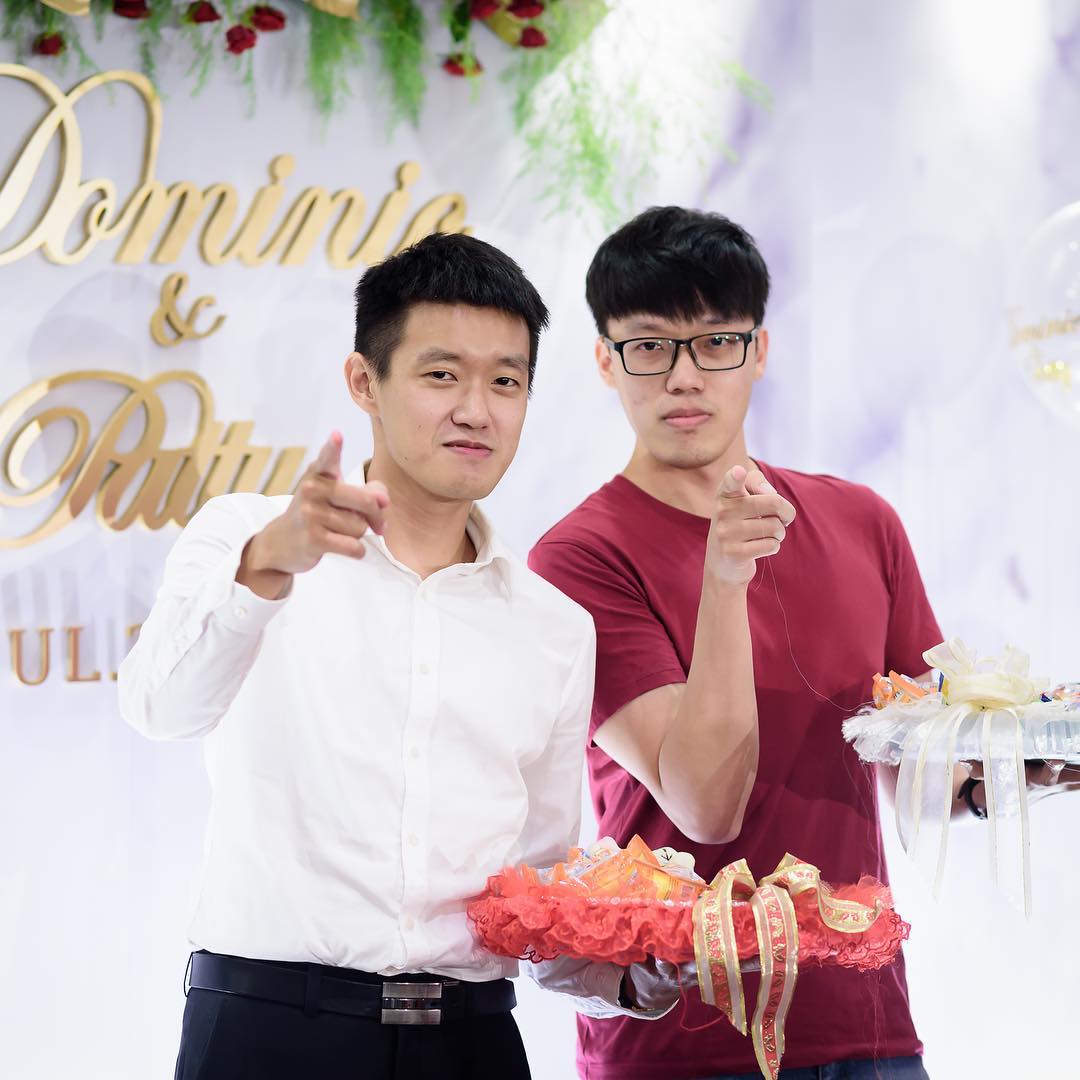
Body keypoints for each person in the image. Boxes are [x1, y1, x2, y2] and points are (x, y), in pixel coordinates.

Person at [118, 232, 646, 1080]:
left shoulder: (554, 625)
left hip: (473, 1042)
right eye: (442, 375)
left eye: (506, 381)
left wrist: (637, 967)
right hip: (269, 1030)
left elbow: (536, 890)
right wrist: (266, 567)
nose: (476, 410)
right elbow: (158, 709)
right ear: (365, 381)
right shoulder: (248, 534)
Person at [528, 207, 941, 1080]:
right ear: (605, 360)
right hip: (680, 1041)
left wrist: (1003, 771)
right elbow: (707, 805)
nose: (685, 377)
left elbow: (921, 768)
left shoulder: (863, 521)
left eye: (716, 342)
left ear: (759, 351)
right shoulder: (576, 559)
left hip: (868, 1027)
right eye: (650, 346)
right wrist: (724, 580)